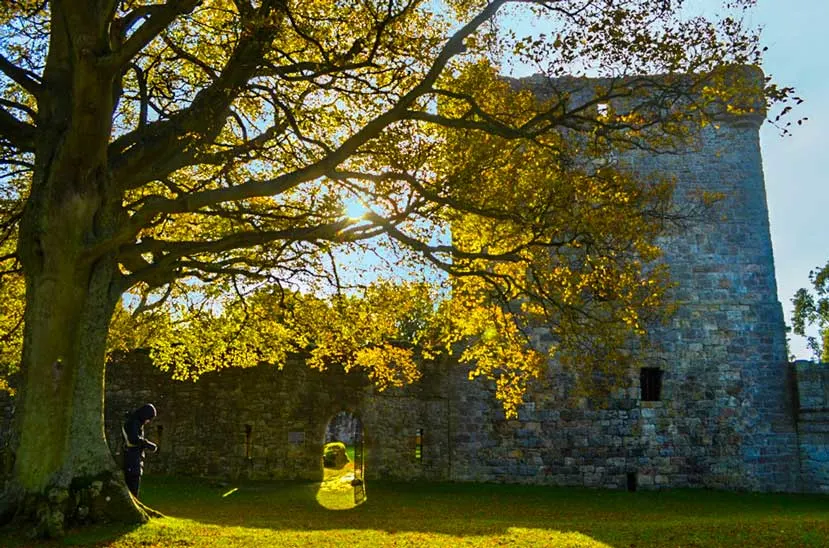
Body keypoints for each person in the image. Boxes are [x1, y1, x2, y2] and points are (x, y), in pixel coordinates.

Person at [122, 403, 158, 498]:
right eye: (149, 418)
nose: (149, 421)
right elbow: (133, 439)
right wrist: (147, 444)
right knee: (132, 486)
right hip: (131, 458)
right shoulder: (133, 422)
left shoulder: (136, 422)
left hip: (134, 457)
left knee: (134, 484)